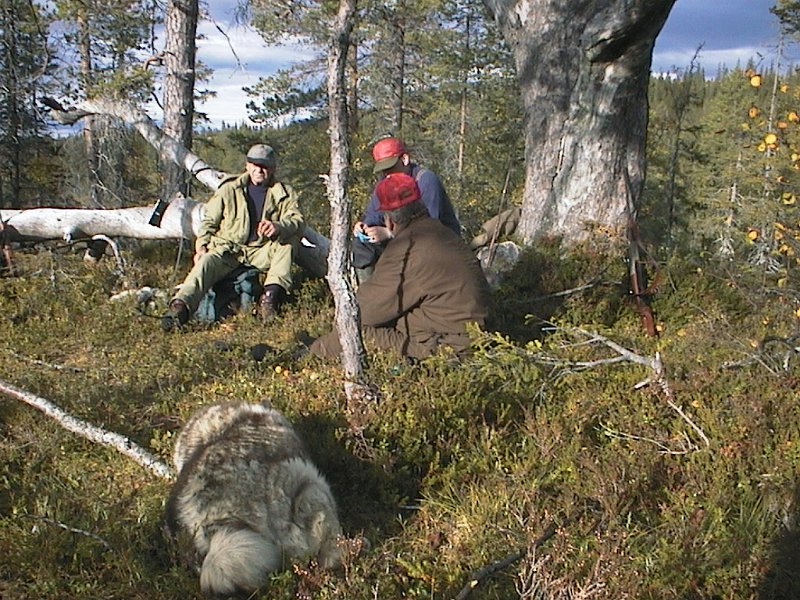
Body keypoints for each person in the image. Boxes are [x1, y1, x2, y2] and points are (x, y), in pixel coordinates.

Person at [308, 172, 490, 360]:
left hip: (445, 349)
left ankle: (309, 352)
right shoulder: (443, 233)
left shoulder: (406, 249)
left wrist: (321, 344)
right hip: (474, 340)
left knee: (356, 333)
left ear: (389, 220)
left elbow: (362, 312)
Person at [162, 144, 304, 331]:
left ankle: (270, 299)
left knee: (287, 244)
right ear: (247, 165)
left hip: (261, 250)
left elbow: (297, 220)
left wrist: (279, 226)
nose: (259, 170)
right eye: (255, 165)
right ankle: (180, 308)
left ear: (273, 168)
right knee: (206, 262)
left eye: (265, 166)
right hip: (229, 250)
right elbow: (209, 222)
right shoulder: (230, 189)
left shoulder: (283, 193)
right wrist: (201, 247)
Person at [352, 137, 460, 276]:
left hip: (437, 245)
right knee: (362, 245)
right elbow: (373, 215)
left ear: (404, 159)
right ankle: (370, 288)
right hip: (403, 240)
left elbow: (431, 228)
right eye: (383, 170)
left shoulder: (425, 180)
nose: (387, 174)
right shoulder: (385, 184)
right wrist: (364, 227)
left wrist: (389, 233)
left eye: (391, 167)